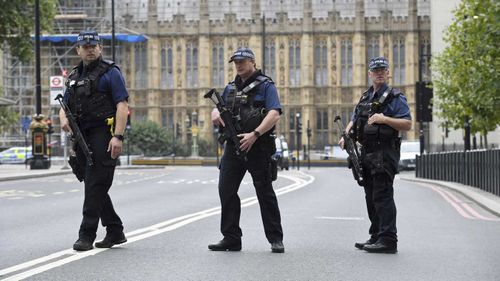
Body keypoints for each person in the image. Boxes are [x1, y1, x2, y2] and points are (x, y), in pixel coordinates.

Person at [208, 47, 285, 253]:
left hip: (257, 146)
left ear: (253, 62)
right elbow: (220, 108)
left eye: (243, 61)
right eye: (236, 62)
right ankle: (231, 238)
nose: (239, 65)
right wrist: (215, 112)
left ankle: (275, 239)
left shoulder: (266, 85)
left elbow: (274, 113)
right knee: (226, 190)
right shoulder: (230, 88)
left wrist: (255, 134)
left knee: (265, 192)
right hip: (234, 147)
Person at [59, 30, 129, 251]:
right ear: (78, 50)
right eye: (85, 47)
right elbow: (65, 105)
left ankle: (86, 234)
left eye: (93, 46)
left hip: (103, 134)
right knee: (93, 184)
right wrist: (63, 118)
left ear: (100, 48)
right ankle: (115, 230)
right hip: (81, 135)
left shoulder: (111, 72)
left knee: (95, 184)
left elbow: (122, 105)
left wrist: (118, 136)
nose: (90, 50)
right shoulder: (73, 76)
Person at [339, 56, 412, 254]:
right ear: (369, 74)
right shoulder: (365, 97)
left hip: (385, 151)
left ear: (388, 73)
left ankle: (388, 239)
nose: (379, 73)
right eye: (375, 70)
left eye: (383, 70)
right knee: (370, 195)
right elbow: (354, 120)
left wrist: (384, 119)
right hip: (367, 152)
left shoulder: (396, 97)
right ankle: (376, 235)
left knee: (382, 195)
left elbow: (407, 123)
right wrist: (346, 135)